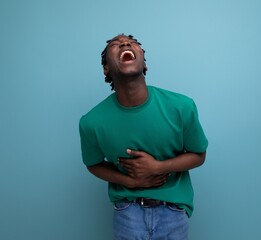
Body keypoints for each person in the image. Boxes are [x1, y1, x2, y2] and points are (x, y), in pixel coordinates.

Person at [79, 34, 208, 240]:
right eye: (115, 44)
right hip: (127, 214)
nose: (125, 43)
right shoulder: (92, 122)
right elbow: (93, 164)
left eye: (132, 42)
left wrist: (158, 167)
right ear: (106, 69)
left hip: (173, 213)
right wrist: (129, 181)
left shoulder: (181, 107)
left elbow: (199, 154)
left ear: (144, 65)